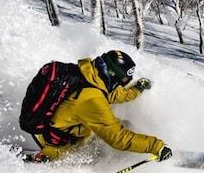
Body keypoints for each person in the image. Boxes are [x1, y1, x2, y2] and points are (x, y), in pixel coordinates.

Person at [23, 49, 173, 164]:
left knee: (123, 125)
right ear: (113, 76)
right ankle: (128, 155)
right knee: (120, 131)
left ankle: (137, 147)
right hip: (61, 147)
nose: (119, 86)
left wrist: (136, 90)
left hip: (57, 131)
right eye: (120, 82)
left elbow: (111, 94)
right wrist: (156, 146)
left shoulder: (88, 76)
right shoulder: (92, 100)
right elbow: (118, 138)